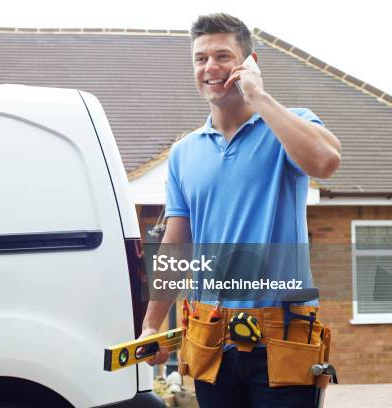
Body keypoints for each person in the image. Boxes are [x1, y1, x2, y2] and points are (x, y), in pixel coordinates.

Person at [138, 13, 341, 408]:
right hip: (212, 342)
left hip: (282, 342)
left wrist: (260, 98)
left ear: (249, 63)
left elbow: (326, 162)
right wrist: (150, 324)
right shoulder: (185, 153)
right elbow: (177, 245)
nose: (210, 67)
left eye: (222, 55)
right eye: (200, 58)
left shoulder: (289, 124)